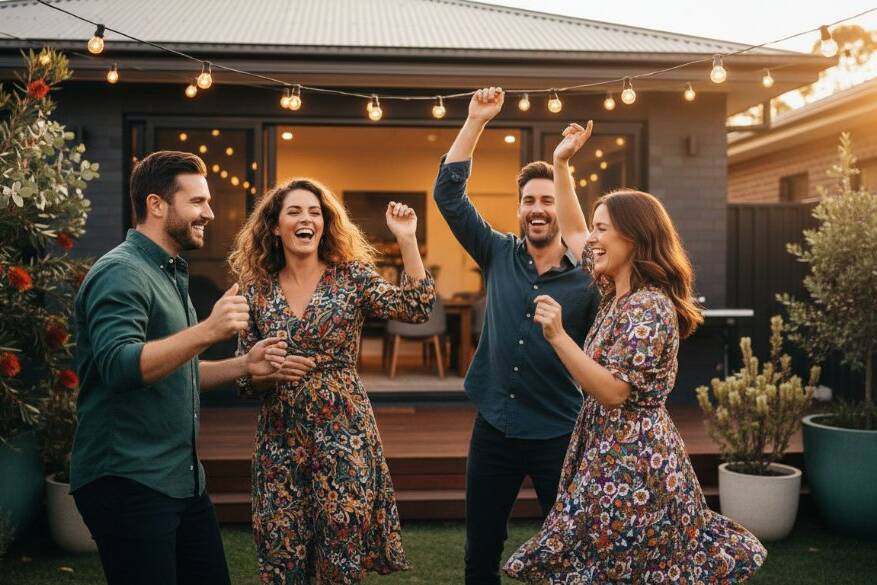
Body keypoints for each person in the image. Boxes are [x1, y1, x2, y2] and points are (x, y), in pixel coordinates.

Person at [504, 122, 767, 583]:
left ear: (633, 238)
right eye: (597, 228)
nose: (594, 238)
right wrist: (562, 163)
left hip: (635, 465)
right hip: (606, 452)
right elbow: (572, 229)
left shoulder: (650, 308)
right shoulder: (614, 291)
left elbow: (613, 392)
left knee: (623, 568)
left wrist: (559, 336)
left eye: (604, 229)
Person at [71, 150, 286, 585]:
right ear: (156, 205)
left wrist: (245, 363)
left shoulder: (169, 273)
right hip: (128, 479)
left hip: (181, 481)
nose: (208, 212)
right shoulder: (121, 273)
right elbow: (119, 366)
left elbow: (176, 369)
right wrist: (208, 330)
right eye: (197, 202)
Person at [228, 178, 436, 583]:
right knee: (281, 553)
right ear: (274, 226)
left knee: (340, 558)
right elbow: (242, 377)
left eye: (314, 212)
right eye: (294, 212)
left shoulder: (352, 278)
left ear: (324, 224)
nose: (306, 219)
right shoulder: (257, 292)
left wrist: (408, 240)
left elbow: (416, 307)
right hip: (280, 441)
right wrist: (267, 374)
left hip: (344, 435)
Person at [434, 87, 599, 585]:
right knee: (481, 549)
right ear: (520, 208)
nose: (537, 208)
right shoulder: (497, 252)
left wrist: (562, 165)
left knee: (568, 552)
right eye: (528, 200)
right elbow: (448, 196)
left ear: (560, 208)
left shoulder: (590, 273)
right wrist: (475, 122)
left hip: (560, 432)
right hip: (494, 431)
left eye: (547, 199)